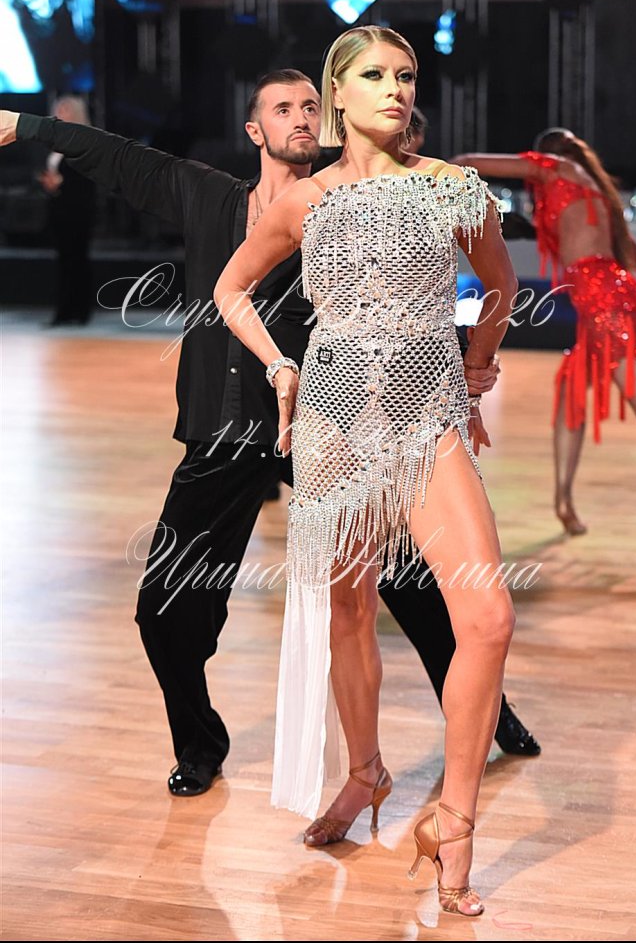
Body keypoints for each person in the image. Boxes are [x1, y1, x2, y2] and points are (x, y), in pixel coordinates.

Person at [0, 72, 538, 805]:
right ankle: (199, 742)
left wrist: (468, 361)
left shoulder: (340, 204)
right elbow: (116, 156)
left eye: (310, 106)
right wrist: (29, 126)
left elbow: (403, 304)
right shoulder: (206, 195)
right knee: (165, 608)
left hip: (327, 429)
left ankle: (489, 711)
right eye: (283, 109)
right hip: (222, 435)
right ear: (255, 130)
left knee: (414, 585)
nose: (300, 118)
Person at [214, 26, 519, 917]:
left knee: (488, 618)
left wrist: (474, 367)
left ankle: (453, 821)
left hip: (427, 424)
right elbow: (231, 289)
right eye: (375, 76)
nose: (396, 89)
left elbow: (499, 286)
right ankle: (365, 771)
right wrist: (280, 364)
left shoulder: (454, 188)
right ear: (336, 95)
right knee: (348, 611)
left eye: (406, 75)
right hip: (336, 425)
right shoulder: (304, 201)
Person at [454, 129, 636, 535]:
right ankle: (563, 503)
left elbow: (467, 162)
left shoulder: (559, 169)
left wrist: (435, 173)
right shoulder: (595, 192)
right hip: (608, 302)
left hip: (608, 307)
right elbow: (635, 259)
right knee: (571, 397)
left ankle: (564, 500)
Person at [39, 95, 96, 326]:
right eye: (58, 109)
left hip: (78, 211)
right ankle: (64, 310)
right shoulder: (55, 144)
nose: (60, 113)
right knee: (64, 260)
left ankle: (80, 310)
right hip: (59, 210)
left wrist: (62, 182)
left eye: (65, 110)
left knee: (78, 259)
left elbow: (86, 178)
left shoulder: (85, 141)